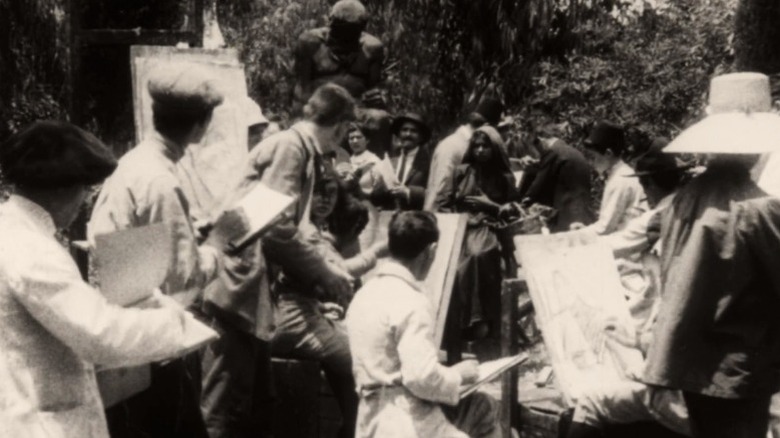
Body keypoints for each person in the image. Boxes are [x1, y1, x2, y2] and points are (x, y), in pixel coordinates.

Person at [0, 121, 217, 438]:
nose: (81, 205)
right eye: (85, 191)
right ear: (66, 190)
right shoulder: (31, 247)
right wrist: (176, 323)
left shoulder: (13, 229)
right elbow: (100, 333)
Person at [199, 83, 358, 438]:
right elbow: (274, 227)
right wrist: (324, 272)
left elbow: (282, 226)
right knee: (225, 409)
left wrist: (324, 266)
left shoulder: (298, 148)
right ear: (341, 125)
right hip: (238, 290)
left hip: (253, 293)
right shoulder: (291, 148)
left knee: (260, 406)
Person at [88, 63, 226, 438]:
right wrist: (217, 246)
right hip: (155, 345)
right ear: (202, 124)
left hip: (124, 333)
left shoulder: (133, 163)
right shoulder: (162, 180)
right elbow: (184, 278)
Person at [643, 72, 780, 438]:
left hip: (691, 365)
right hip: (736, 370)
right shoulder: (758, 208)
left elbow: (675, 285)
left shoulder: (684, 198)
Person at [564, 148, 692, 438]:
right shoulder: (687, 206)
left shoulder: (662, 215)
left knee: (598, 392)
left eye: (646, 186)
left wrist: (574, 239)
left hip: (680, 390)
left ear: (650, 185)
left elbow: (615, 243)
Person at [346, 210, 502, 437]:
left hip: (370, 420)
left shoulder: (364, 295)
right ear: (431, 251)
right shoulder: (412, 301)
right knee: (486, 409)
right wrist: (458, 375)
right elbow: (420, 377)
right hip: (408, 423)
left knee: (481, 405)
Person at [272, 171, 386, 438]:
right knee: (362, 361)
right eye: (318, 191)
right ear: (304, 191)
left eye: (331, 192)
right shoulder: (305, 231)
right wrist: (378, 252)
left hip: (299, 313)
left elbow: (296, 280)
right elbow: (338, 271)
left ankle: (351, 429)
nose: (325, 199)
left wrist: (320, 308)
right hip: (294, 321)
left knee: (348, 357)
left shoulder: (308, 227)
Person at [440, 126, 517, 341]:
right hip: (460, 227)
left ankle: (479, 320)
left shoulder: (504, 177)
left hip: (489, 227)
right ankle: (455, 326)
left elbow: (513, 210)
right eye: (477, 146)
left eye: (486, 146)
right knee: (451, 265)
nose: (481, 150)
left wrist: (491, 205)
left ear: (494, 149)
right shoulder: (461, 172)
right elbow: (445, 202)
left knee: (478, 255)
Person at [425, 98, 504, 211]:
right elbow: (441, 188)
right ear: (487, 126)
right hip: (439, 216)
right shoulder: (453, 146)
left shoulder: (467, 144)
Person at [516, 125, 594, 232]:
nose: (540, 153)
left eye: (537, 148)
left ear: (540, 140)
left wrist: (521, 204)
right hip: (583, 209)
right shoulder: (566, 149)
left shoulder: (552, 152)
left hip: (568, 213)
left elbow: (537, 186)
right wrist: (537, 164)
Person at [575, 121, 646, 234]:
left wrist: (579, 233)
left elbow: (605, 228)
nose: (591, 162)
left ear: (608, 153)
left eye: (593, 157)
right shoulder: (620, 174)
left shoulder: (621, 179)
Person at [363, 112, 432, 210]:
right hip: (390, 217)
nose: (408, 134)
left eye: (413, 131)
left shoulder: (428, 163)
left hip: (415, 218)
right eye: (404, 130)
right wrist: (379, 185)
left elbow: (436, 193)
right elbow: (376, 198)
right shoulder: (390, 163)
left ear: (421, 137)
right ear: (399, 134)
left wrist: (408, 192)